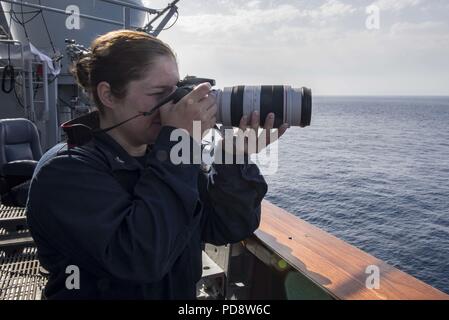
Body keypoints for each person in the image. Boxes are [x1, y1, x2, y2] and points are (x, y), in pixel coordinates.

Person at [26, 30, 288, 299]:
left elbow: (225, 226)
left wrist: (232, 156)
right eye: (158, 93)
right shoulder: (65, 172)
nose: (172, 105)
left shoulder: (164, 156)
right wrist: (180, 142)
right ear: (108, 95)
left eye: (175, 92)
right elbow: (141, 260)